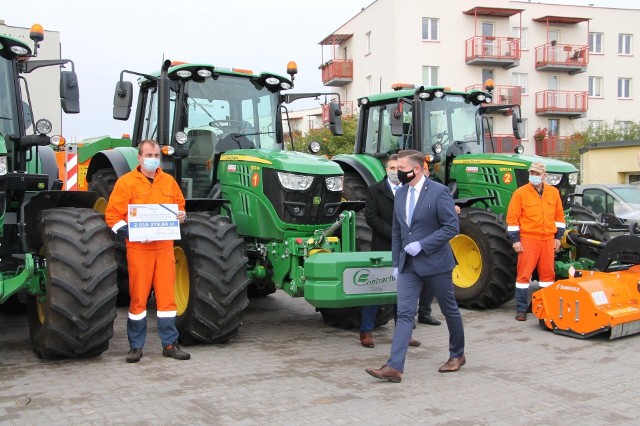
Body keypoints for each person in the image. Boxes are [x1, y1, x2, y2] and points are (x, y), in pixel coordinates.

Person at [365, 150, 465, 383]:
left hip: (436, 264)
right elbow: (398, 231)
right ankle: (394, 367)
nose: (397, 172)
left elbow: (451, 227)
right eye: (396, 168)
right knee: (404, 313)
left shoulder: (439, 192)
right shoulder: (401, 194)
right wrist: (396, 262)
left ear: (417, 169)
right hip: (409, 265)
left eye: (401, 168)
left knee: (450, 310)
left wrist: (422, 244)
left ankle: (457, 354)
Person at [105, 139, 191, 363]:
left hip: (164, 248)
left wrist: (181, 215)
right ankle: (136, 346)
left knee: (167, 299)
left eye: (156, 155)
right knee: (139, 300)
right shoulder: (126, 183)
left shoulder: (168, 182)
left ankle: (170, 344)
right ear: (139, 158)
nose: (153, 159)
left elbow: (180, 207)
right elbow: (112, 215)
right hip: (139, 249)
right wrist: (127, 232)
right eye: (149, 155)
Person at [360, 154, 423, 348]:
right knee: (377, 289)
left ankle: (404, 332)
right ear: (386, 169)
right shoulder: (374, 190)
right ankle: (366, 330)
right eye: (392, 168)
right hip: (384, 246)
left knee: (404, 293)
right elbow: (372, 218)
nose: (396, 172)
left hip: (406, 249)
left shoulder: (409, 189)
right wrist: (395, 235)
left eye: (399, 168)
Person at [506, 161, 565, 321]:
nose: (534, 176)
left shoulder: (553, 193)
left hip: (547, 239)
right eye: (532, 173)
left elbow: (559, 216)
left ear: (544, 175)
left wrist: (558, 238)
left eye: (537, 174)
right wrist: (516, 240)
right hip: (528, 239)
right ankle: (521, 309)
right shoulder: (520, 193)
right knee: (523, 276)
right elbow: (512, 218)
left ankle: (547, 307)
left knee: (548, 276)